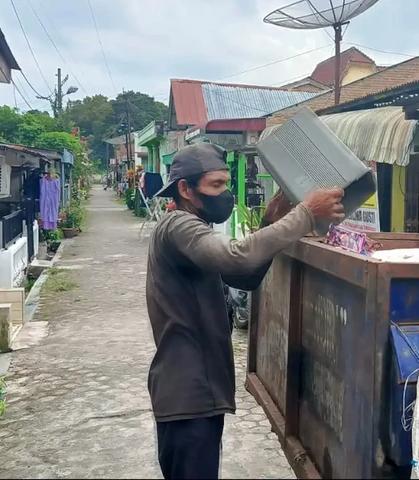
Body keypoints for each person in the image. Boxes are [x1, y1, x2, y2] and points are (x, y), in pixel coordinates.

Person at [145, 143, 344, 479]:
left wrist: (270, 220)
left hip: (197, 397)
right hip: (187, 398)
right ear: (185, 189)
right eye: (216, 185)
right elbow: (237, 256)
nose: (225, 194)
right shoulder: (178, 226)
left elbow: (243, 276)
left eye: (226, 184)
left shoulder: (193, 230)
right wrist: (307, 213)